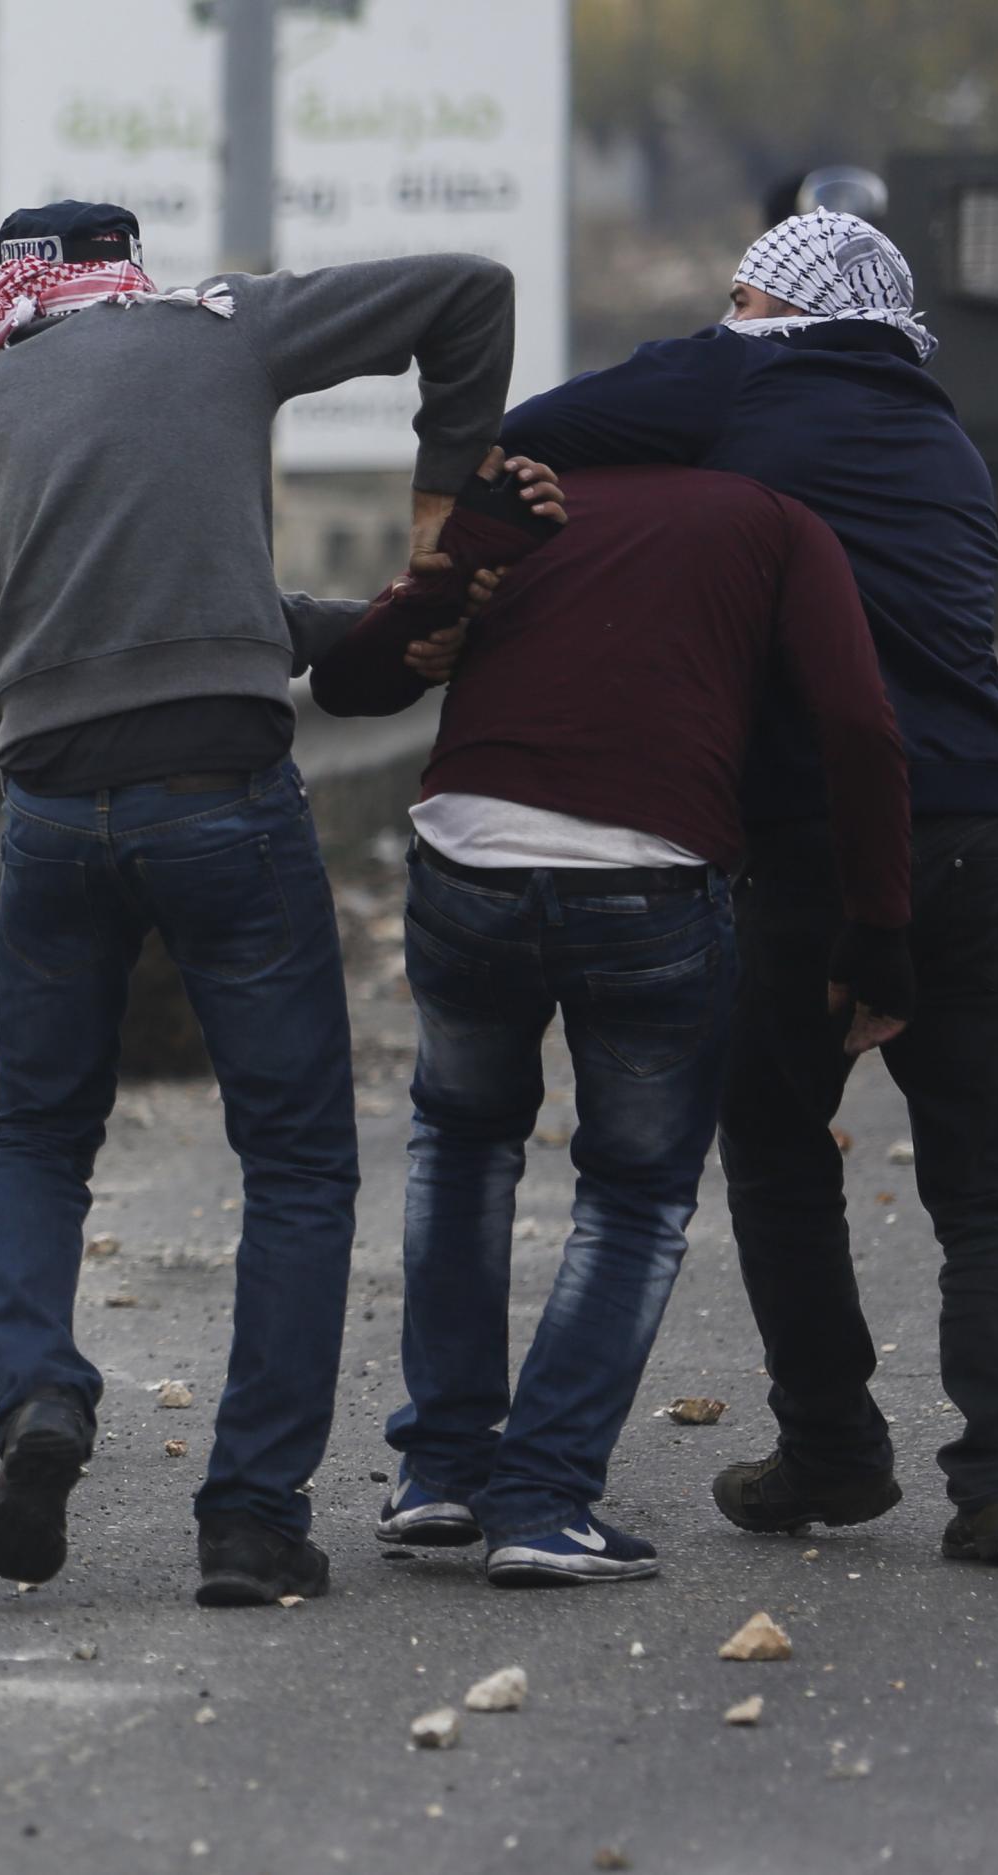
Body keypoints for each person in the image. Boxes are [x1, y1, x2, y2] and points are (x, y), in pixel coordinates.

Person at [0, 199, 526, 1606]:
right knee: (299, 1160)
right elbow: (472, 291)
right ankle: (252, 1514)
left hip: (48, 801)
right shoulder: (216, 330)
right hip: (217, 786)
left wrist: (343, 629)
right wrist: (440, 530)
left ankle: (39, 1397)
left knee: (38, 1129)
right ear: (129, 271)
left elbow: (147, 603)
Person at [499, 211, 998, 1565]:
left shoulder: (739, 376)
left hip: (810, 839)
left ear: (766, 299)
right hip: (978, 829)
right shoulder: (947, 437)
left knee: (778, 1145)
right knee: (988, 1183)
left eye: (738, 294)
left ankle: (832, 1446)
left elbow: (541, 424)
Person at [313, 452, 912, 1585]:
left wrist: (451, 575)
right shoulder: (775, 514)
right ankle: (540, 1502)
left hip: (465, 856)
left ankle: (438, 1474)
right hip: (647, 878)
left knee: (459, 1144)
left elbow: (353, 676)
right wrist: (880, 923)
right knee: (633, 1197)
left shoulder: (535, 495)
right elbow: (855, 719)